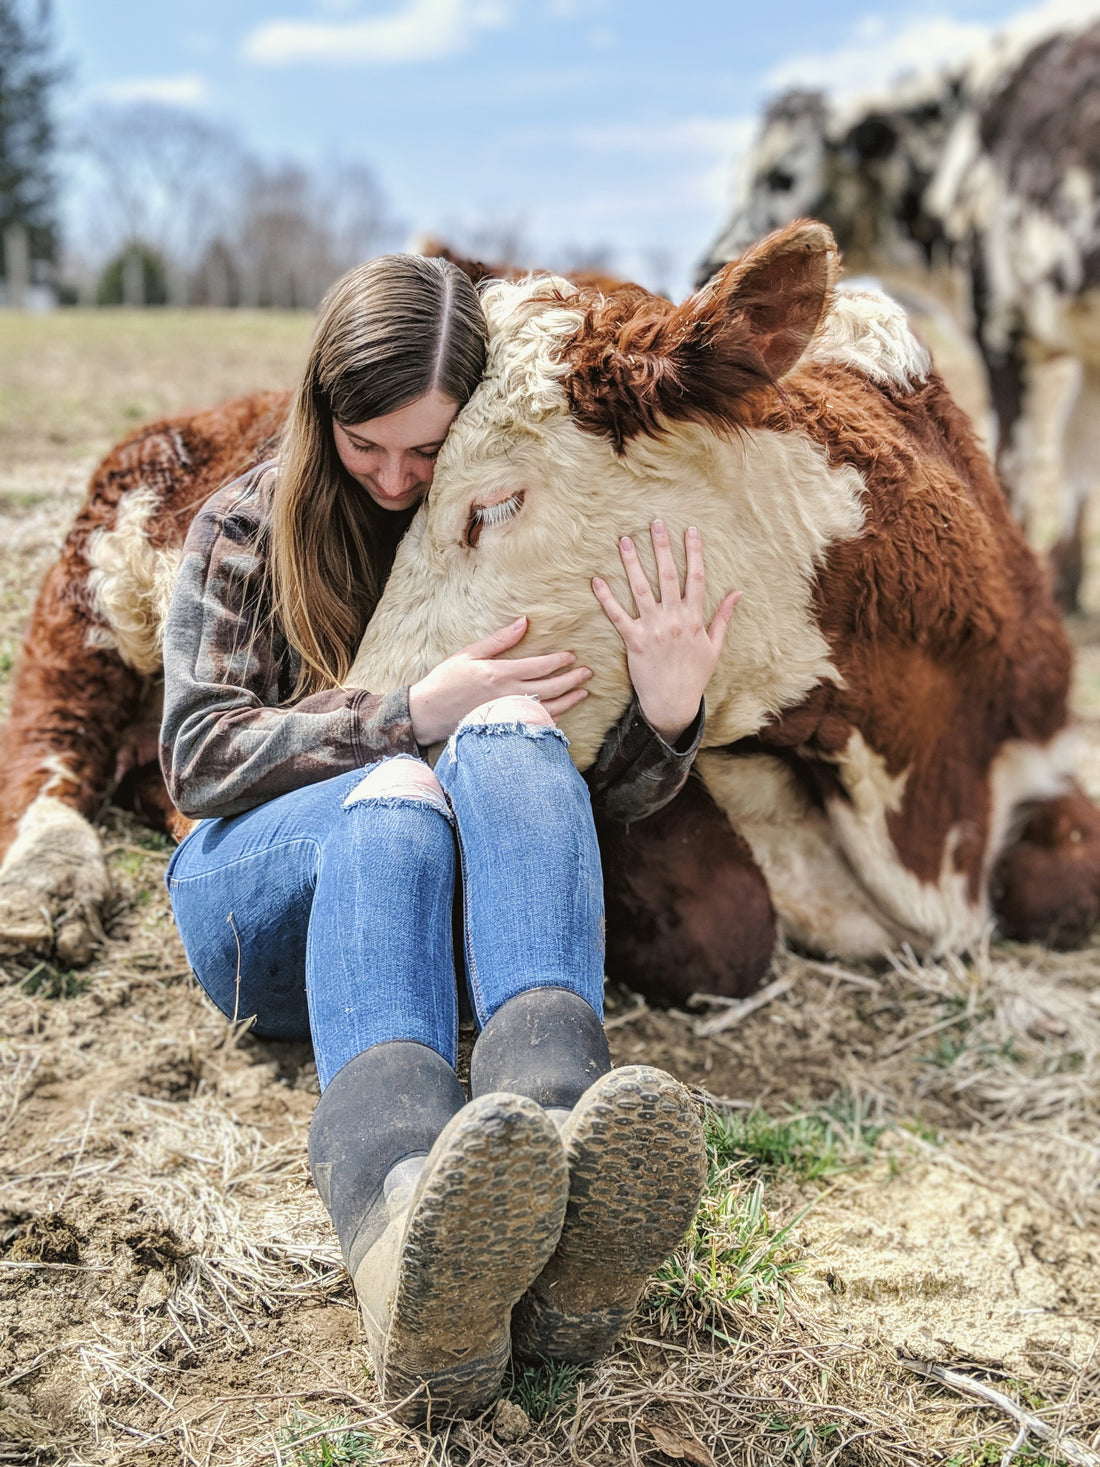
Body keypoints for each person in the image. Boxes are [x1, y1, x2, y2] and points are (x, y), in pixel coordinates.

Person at [159, 253, 740, 1426]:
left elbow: (578, 814)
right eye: (363, 442)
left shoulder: (494, 518)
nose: (390, 476)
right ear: (321, 410)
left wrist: (664, 714)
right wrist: (407, 714)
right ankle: (395, 1233)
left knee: (519, 723)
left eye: (423, 450)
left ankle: (563, 1136)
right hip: (256, 902)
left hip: (441, 925)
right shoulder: (242, 523)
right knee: (401, 793)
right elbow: (200, 757)